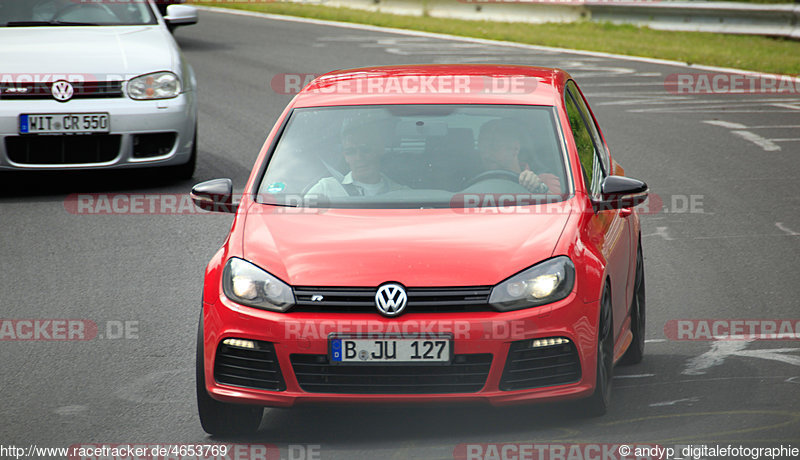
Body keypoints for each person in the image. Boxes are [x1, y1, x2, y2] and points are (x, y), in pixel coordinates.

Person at [305, 122, 406, 198]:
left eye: (365, 150)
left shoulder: (402, 194)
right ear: (345, 157)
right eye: (350, 152)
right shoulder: (325, 189)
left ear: (379, 150)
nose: (359, 158)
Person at [476, 119, 561, 194]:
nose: (486, 154)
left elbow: (561, 208)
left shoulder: (544, 180)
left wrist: (538, 189)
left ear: (515, 148)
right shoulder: (470, 181)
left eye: (494, 146)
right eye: (482, 148)